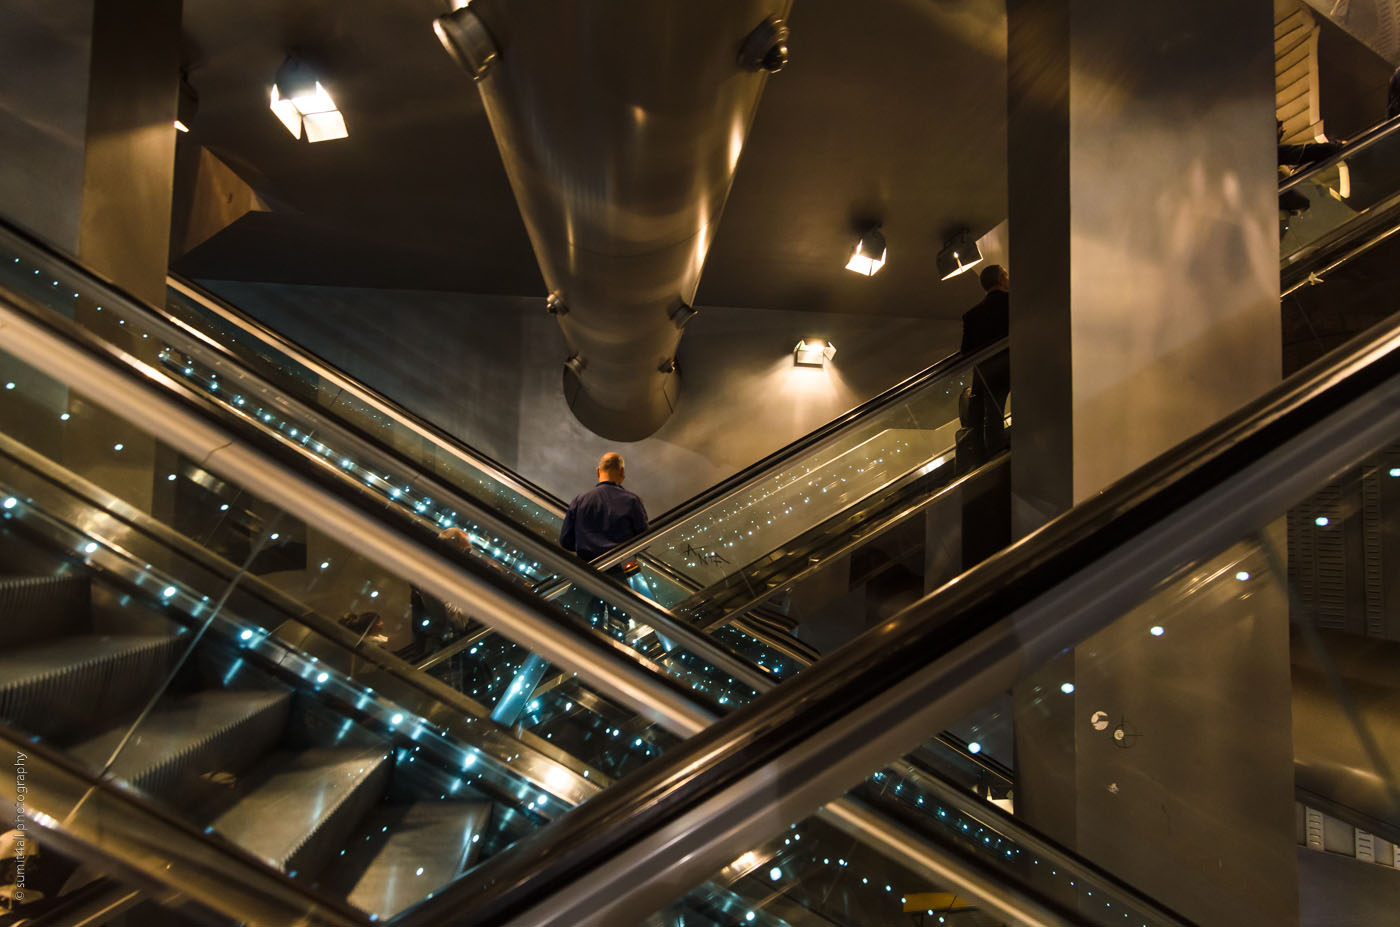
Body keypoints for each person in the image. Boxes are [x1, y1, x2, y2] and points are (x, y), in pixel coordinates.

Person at [561, 452, 648, 635]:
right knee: (619, 629)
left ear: (598, 471)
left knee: (580, 628)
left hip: (586, 573)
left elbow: (565, 541)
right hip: (619, 577)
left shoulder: (580, 500)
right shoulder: (632, 502)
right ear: (622, 471)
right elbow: (644, 540)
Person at [958, 264, 1011, 467]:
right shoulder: (1014, 302)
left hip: (987, 372)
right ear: (1000, 278)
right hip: (1015, 365)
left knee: (992, 414)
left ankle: (994, 455)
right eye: (1006, 276)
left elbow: (966, 350)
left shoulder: (971, 315)